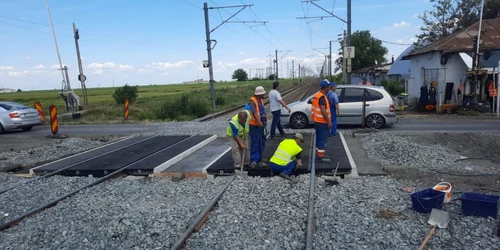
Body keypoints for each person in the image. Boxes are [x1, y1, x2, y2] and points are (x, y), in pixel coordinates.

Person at [311, 79, 332, 163]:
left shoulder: (317, 95)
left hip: (317, 121)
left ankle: (319, 153)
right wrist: (329, 122)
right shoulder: (322, 97)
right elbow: (323, 110)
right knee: (322, 139)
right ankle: (321, 156)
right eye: (328, 87)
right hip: (322, 122)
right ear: (325, 87)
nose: (329, 89)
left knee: (319, 138)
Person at [248, 86, 268, 168]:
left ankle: (260, 157)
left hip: (261, 125)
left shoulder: (260, 100)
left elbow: (262, 112)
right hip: (254, 125)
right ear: (259, 94)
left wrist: (265, 120)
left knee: (262, 140)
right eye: (263, 93)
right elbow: (254, 112)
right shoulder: (252, 101)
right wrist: (259, 121)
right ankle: (254, 160)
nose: (264, 94)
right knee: (255, 142)